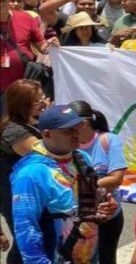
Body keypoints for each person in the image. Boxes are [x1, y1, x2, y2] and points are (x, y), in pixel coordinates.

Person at [11, 104, 117, 264]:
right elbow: (26, 228)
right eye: (68, 130)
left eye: (77, 127)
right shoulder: (31, 174)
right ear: (47, 134)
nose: (76, 134)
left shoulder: (81, 158)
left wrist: (104, 206)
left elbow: (89, 207)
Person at [68, 101, 126, 264]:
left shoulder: (108, 140)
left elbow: (116, 179)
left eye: (70, 126)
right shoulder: (68, 146)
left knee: (107, 258)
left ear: (84, 124)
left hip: (108, 217)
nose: (66, 130)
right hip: (76, 218)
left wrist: (79, 186)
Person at [1, 79, 46, 264]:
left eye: (42, 97)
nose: (43, 102)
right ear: (22, 104)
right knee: (26, 244)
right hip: (16, 197)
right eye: (37, 101)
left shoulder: (35, 122)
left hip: (33, 194)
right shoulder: (14, 131)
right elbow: (46, 155)